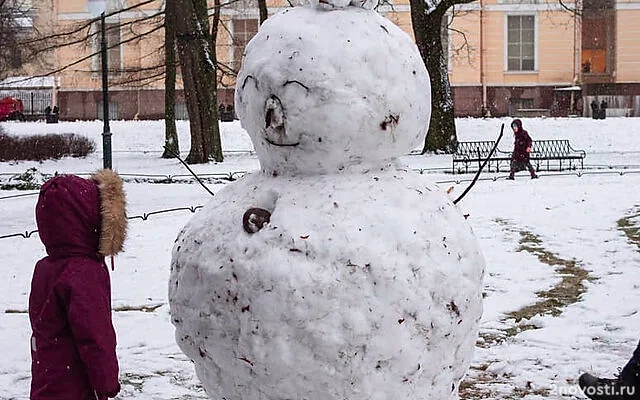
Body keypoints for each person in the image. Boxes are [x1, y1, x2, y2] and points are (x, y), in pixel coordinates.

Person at [29, 169, 127, 400]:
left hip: (50, 380)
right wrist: (106, 382)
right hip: (76, 386)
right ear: (89, 220)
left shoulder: (46, 267)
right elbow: (94, 335)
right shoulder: (84, 273)